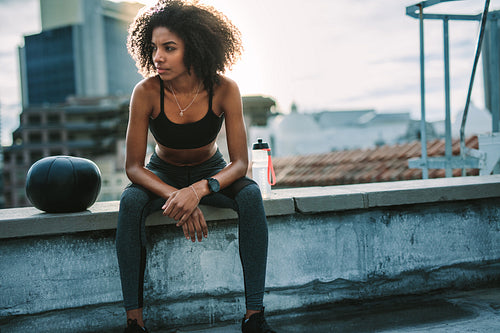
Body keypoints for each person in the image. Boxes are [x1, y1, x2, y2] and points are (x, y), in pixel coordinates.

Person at [116, 1, 276, 332]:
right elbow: (133, 167)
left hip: (212, 171)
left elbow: (241, 163)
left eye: (169, 48)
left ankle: (254, 317)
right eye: (155, 47)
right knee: (130, 201)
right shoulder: (145, 92)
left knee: (250, 197)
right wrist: (179, 197)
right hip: (161, 173)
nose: (157, 56)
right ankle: (134, 322)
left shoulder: (225, 89)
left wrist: (198, 190)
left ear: (196, 48)